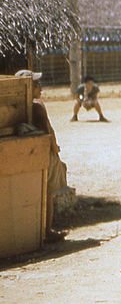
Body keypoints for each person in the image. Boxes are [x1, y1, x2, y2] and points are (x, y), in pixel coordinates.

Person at [17, 70, 74, 242]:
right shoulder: (37, 106)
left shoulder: (21, 105)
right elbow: (48, 131)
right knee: (48, 193)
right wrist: (55, 149)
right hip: (45, 153)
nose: (40, 88)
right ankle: (47, 231)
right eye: (36, 85)